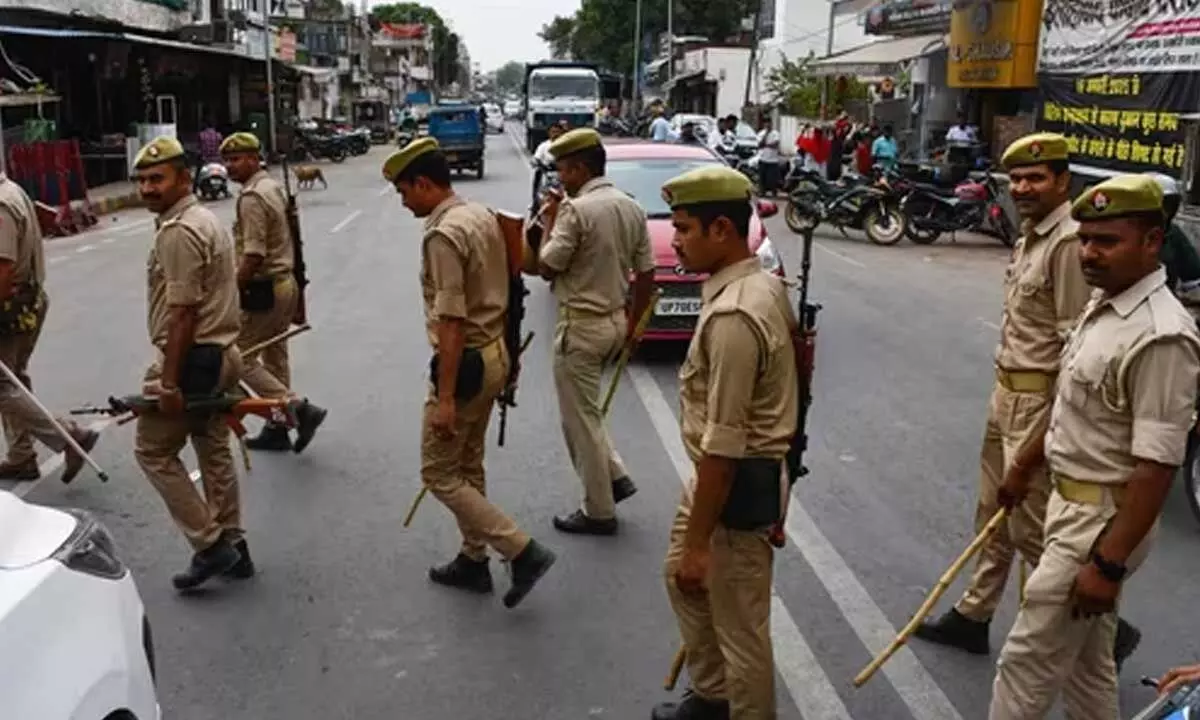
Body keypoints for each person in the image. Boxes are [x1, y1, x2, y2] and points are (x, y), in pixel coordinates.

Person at [988, 174, 1200, 718]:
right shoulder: (1104, 305)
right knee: (1088, 668)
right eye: (1084, 239)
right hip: (1068, 505)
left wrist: (1107, 564)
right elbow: (1068, 404)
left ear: (1152, 241)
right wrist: (1023, 467)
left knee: (1023, 666)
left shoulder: (1162, 335)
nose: (1088, 253)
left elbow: (1156, 467)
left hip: (1099, 521)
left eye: (1107, 241)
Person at [914, 133, 1093, 654]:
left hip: (1038, 403)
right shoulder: (1031, 235)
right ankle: (975, 612)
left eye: (1035, 178)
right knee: (993, 512)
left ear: (1062, 181)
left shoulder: (1068, 242)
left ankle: (1088, 624)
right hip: (1007, 394)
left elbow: (1076, 351)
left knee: (1030, 525)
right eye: (1015, 179)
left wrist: (1048, 430)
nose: (1023, 188)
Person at [383, 137, 556, 608]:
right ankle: (473, 557)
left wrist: (444, 398)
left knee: (438, 473)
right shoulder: (480, 214)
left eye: (404, 192)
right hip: (494, 354)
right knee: (467, 463)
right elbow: (516, 284)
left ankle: (520, 550)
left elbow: (451, 320)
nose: (403, 202)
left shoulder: (443, 235)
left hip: (466, 366)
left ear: (424, 183)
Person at [652, 164, 798, 720]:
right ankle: (713, 696)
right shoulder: (757, 285)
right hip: (725, 479)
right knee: (682, 579)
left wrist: (699, 543)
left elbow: (725, 444)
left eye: (684, 228)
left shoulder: (736, 314)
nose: (675, 240)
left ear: (721, 231)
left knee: (741, 630)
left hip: (734, 486)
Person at [131, 136, 250, 591]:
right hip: (221, 354)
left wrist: (167, 383)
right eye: (142, 180)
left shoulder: (179, 231)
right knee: (212, 449)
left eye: (157, 179)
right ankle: (234, 546)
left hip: (194, 359)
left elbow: (182, 313)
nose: (147, 188)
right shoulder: (203, 218)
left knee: (153, 450)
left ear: (183, 178)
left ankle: (210, 544)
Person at [534, 128, 655, 535]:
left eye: (564, 171)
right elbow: (646, 274)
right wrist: (635, 326)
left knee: (579, 422)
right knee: (588, 412)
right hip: (616, 321)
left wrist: (549, 221)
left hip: (581, 326)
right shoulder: (630, 206)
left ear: (581, 169)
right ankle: (614, 475)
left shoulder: (576, 211)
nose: (560, 179)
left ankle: (598, 511)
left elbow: (546, 266)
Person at [218, 132, 327, 453]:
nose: (230, 166)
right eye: (227, 160)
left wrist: (231, 292)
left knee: (239, 357)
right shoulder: (271, 186)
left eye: (237, 159)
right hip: (285, 284)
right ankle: (277, 427)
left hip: (264, 290)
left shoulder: (252, 197)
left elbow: (253, 254)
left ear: (254, 159)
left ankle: (298, 408)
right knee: (274, 357)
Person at [0, 172, 98, 483]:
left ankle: (70, 436)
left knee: (3, 387)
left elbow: (3, 269)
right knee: (13, 380)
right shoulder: (12, 190)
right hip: (26, 302)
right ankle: (21, 455)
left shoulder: (1, 204)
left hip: (10, 307)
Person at [1146, 173, 1200, 299]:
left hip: (1163, 302)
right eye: (1160, 205)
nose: (1165, 211)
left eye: (1169, 206)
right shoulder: (1125, 231)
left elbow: (1193, 277)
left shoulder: (1173, 233)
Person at [192, 120, 223, 194]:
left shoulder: (201, 135)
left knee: (197, 174)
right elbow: (221, 146)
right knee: (223, 172)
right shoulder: (218, 135)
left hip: (205, 160)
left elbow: (198, 148)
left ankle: (194, 190)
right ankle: (225, 189)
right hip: (217, 160)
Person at [756, 117, 782, 196]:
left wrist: (766, 145)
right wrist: (766, 134)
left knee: (771, 178)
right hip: (763, 158)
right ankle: (762, 191)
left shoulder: (776, 133)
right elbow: (760, 144)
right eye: (766, 123)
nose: (767, 124)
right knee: (762, 178)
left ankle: (774, 191)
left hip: (773, 160)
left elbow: (776, 144)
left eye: (769, 122)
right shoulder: (761, 133)